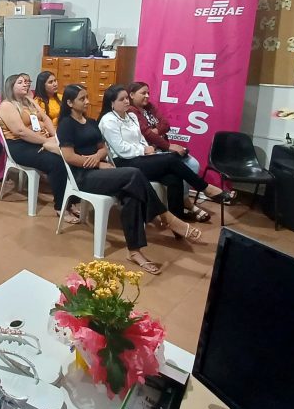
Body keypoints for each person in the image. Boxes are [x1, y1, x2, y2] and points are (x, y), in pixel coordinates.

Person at [58, 84, 202, 274]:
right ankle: (165, 216)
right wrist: (95, 163)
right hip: (83, 176)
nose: (87, 101)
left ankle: (134, 251)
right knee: (133, 173)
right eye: (82, 99)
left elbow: (103, 149)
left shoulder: (92, 122)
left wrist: (99, 157)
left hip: (101, 171)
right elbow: (68, 156)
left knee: (131, 195)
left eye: (87, 97)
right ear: (69, 103)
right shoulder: (66, 125)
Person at [99, 85, 234, 221]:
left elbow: (141, 138)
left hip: (140, 158)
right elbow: (121, 149)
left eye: (127, 98)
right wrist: (144, 150)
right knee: (171, 159)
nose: (126, 102)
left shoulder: (132, 116)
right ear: (111, 103)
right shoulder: (108, 121)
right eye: (121, 99)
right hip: (123, 162)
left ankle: (178, 220)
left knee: (174, 178)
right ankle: (205, 188)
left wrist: (147, 151)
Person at [0, 73, 73, 213]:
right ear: (11, 87)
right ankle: (61, 207)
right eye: (20, 82)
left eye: (26, 81)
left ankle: (71, 199)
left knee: (69, 154)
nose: (26, 84)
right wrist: (47, 141)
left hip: (37, 141)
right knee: (57, 162)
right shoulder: (7, 105)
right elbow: (20, 132)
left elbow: (45, 118)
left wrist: (56, 137)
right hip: (19, 146)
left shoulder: (29, 100)